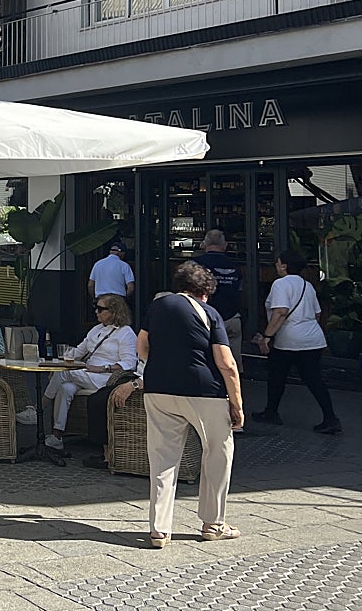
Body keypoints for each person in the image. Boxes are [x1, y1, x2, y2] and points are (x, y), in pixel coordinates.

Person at [140, 261, 244, 548]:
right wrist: (236, 403)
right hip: (204, 391)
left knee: (162, 458)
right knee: (218, 453)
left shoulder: (157, 306)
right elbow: (227, 363)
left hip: (158, 389)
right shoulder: (209, 312)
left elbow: (142, 345)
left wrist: (160, 367)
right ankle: (213, 523)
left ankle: (159, 529)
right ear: (205, 292)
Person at [253, 250, 340, 434]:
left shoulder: (280, 284)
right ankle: (330, 417)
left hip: (288, 339)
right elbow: (317, 313)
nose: (276, 266)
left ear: (284, 266)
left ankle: (271, 411)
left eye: (277, 263)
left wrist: (267, 336)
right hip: (313, 338)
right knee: (314, 379)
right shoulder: (307, 285)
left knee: (277, 375)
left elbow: (280, 312)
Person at [43, 294, 137, 451]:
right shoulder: (96, 330)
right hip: (86, 374)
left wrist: (102, 368)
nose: (96, 312)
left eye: (101, 309)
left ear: (114, 311)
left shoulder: (126, 333)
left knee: (62, 373)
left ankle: (39, 406)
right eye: (96, 308)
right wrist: (63, 356)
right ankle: (57, 435)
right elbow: (79, 351)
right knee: (65, 388)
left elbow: (129, 364)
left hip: (106, 378)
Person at [193, 230, 244, 373]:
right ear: (225, 245)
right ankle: (234, 389)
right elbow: (240, 291)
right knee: (232, 363)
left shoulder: (195, 265)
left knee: (208, 362)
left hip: (205, 319)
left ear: (204, 244)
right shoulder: (235, 266)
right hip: (232, 317)